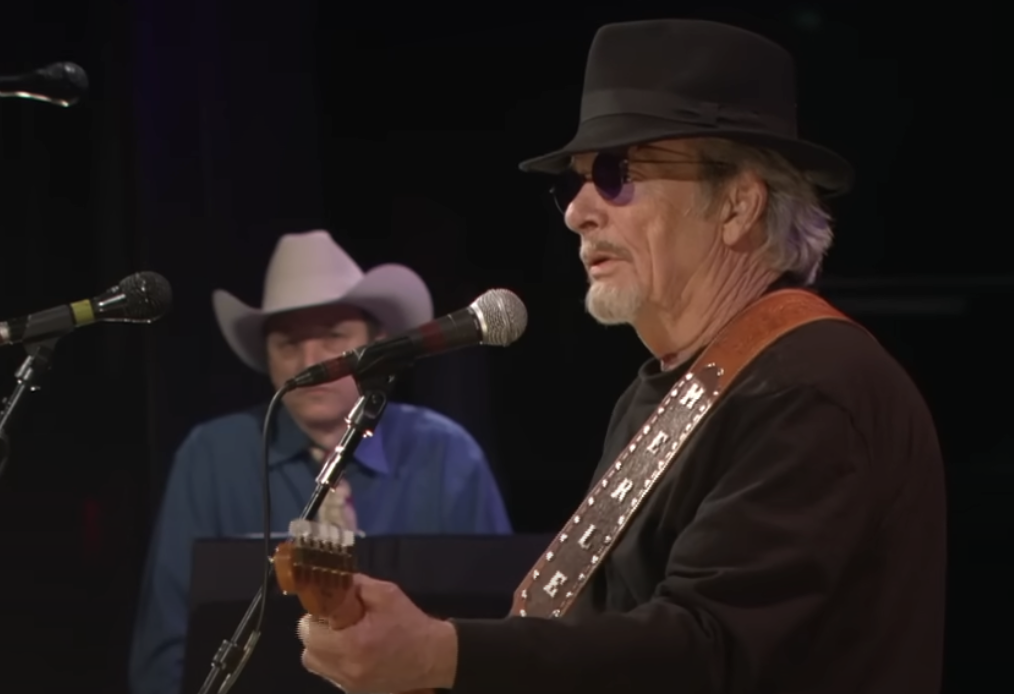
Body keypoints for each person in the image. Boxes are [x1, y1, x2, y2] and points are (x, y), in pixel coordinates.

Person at [295, 19, 947, 694]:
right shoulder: (668, 390)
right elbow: (597, 638)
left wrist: (443, 655)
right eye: (576, 182)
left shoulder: (812, 386)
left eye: (617, 173)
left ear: (738, 204)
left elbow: (708, 650)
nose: (577, 210)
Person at [129, 230, 512, 694]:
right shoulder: (210, 457)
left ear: (379, 343)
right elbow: (166, 649)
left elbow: (496, 633)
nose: (309, 360)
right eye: (288, 344)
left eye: (333, 337)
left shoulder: (447, 455)